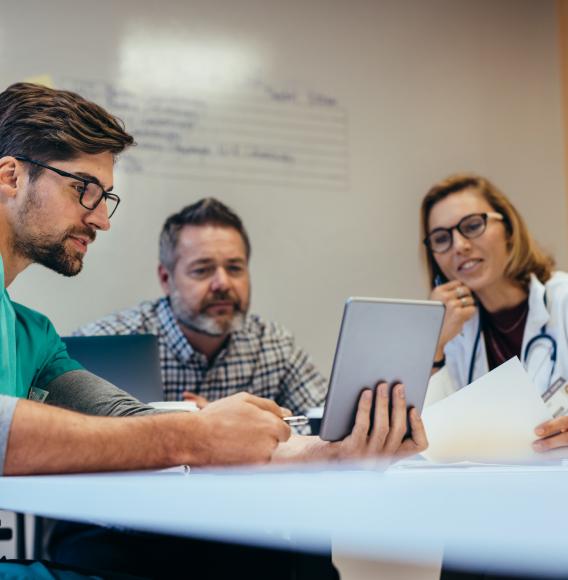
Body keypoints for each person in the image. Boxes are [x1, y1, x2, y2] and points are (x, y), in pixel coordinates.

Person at [0, 82, 427, 578]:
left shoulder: (33, 335)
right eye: (84, 189)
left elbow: (125, 422)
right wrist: (195, 434)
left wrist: (326, 452)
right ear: (10, 176)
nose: (101, 219)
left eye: (105, 197)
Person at [75, 198, 326, 419]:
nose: (223, 283)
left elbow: (328, 428)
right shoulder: (104, 344)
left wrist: (248, 425)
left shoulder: (274, 345)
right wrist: (199, 429)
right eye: (202, 270)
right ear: (166, 279)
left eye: (235, 268)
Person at [420, 173, 568, 454]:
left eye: (473, 225)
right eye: (441, 238)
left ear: (509, 229)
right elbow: (429, 442)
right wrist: (434, 344)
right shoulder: (452, 331)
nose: (459, 246)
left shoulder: (564, 300)